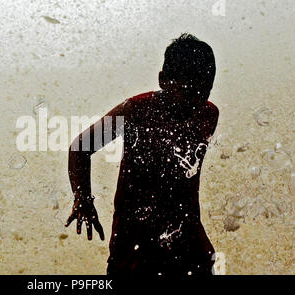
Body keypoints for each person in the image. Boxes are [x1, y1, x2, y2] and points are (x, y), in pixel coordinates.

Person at [65, 34, 219, 276]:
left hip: (186, 233)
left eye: (205, 93)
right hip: (135, 238)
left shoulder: (208, 115)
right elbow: (81, 146)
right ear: (163, 80)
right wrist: (83, 199)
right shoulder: (136, 111)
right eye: (189, 94)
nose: (196, 104)